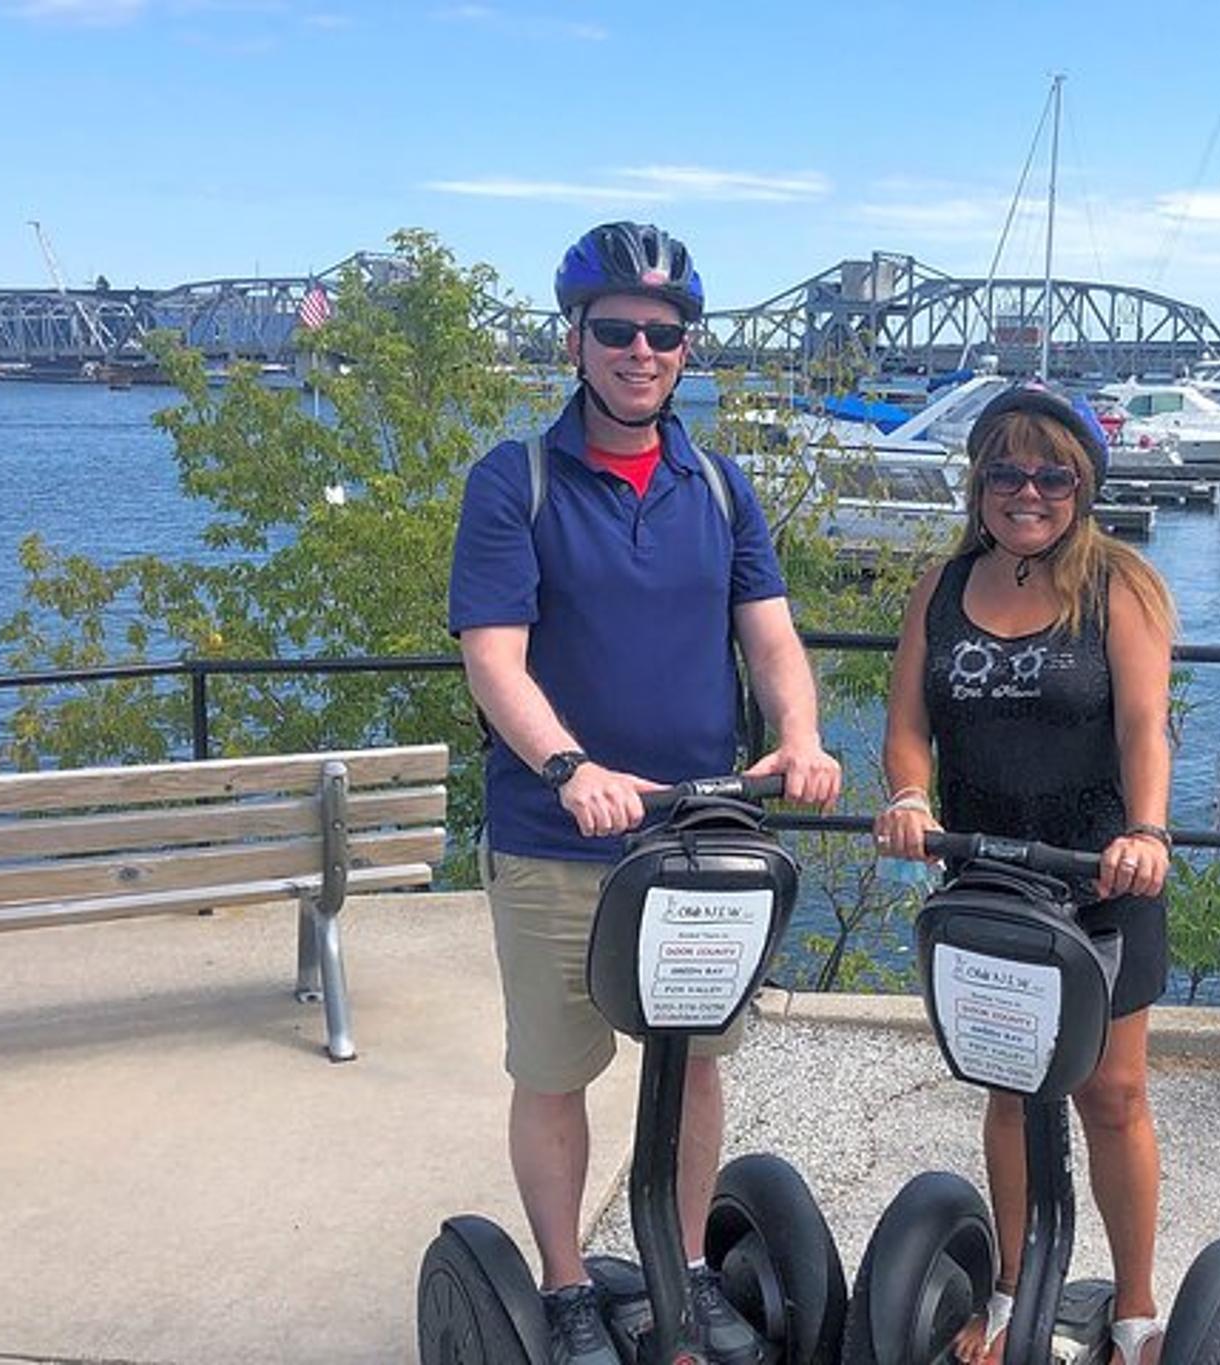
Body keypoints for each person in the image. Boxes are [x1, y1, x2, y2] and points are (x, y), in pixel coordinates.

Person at [449, 221, 841, 1365]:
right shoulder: (512, 480)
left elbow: (768, 639)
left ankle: (678, 1273)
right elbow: (493, 656)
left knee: (695, 1064)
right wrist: (568, 770)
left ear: (685, 351)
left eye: (661, 336)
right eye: (614, 330)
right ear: (574, 340)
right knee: (556, 1068)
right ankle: (569, 1284)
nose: (638, 352)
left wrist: (802, 736)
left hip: (701, 830)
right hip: (552, 834)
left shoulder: (717, 485)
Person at [873, 381, 1178, 1365]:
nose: (1027, 490)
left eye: (1052, 473)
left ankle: (1132, 1308)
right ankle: (1010, 1294)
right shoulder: (942, 586)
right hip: (986, 878)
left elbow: (1142, 726)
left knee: (1112, 1094)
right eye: (1005, 470)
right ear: (978, 482)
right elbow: (907, 729)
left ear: (1082, 485)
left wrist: (1146, 831)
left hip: (1097, 876)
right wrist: (911, 800)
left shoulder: (1116, 587)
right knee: (1010, 1087)